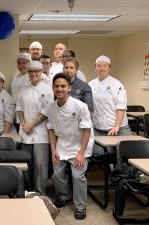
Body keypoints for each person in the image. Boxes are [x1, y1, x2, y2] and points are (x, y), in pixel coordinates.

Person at [46, 73, 94, 220]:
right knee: (57, 173)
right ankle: (65, 196)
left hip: (80, 145)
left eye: (63, 86)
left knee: (77, 176)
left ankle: (80, 206)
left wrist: (81, 153)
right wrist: (53, 150)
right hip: (62, 145)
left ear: (69, 88)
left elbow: (86, 130)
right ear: (53, 88)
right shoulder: (51, 107)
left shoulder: (80, 106)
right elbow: (51, 130)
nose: (59, 89)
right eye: (56, 86)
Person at [16, 60, 54, 194]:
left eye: (36, 71)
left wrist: (31, 124)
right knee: (26, 163)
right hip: (25, 132)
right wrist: (24, 124)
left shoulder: (47, 89)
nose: (33, 74)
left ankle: (39, 193)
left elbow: (46, 111)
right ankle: (27, 192)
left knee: (40, 165)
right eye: (31, 71)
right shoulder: (24, 89)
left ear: (41, 71)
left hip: (41, 134)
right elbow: (19, 108)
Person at [89, 55, 131, 156]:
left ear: (109, 68)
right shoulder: (90, 84)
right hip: (98, 129)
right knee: (98, 152)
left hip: (119, 128)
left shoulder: (117, 84)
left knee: (126, 153)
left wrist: (116, 126)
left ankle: (122, 171)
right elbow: (88, 107)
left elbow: (121, 107)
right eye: (99, 66)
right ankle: (112, 168)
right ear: (95, 68)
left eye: (105, 66)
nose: (101, 69)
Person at [11, 52, 31, 130]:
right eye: (19, 63)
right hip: (17, 113)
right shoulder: (15, 77)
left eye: (24, 63)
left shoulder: (33, 76)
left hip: (29, 114)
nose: (21, 66)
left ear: (30, 63)